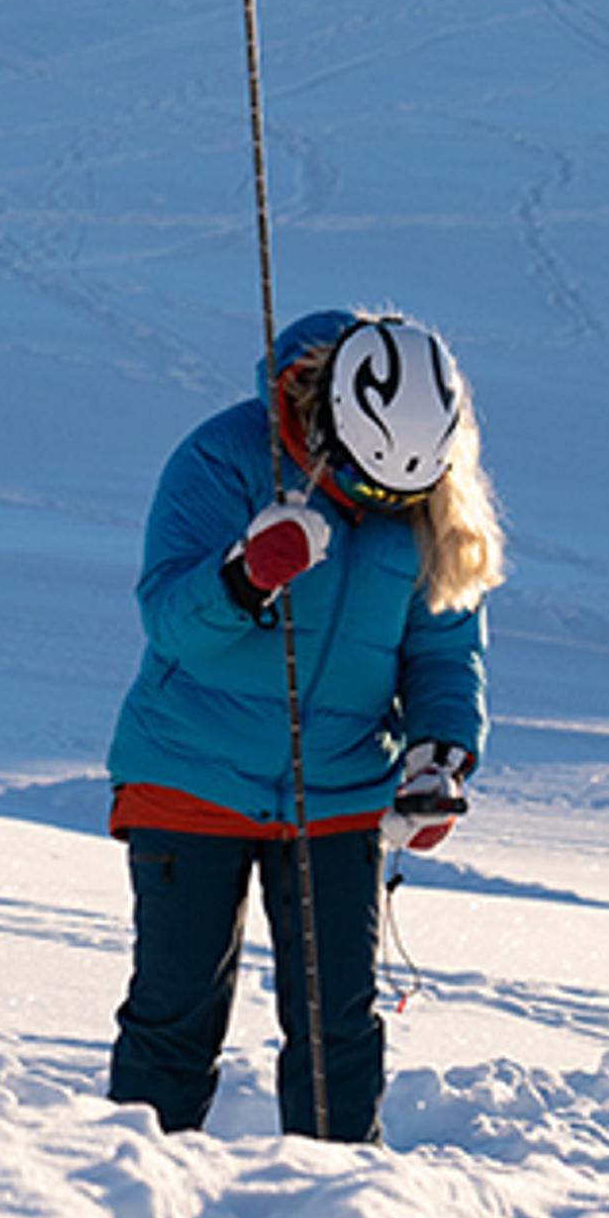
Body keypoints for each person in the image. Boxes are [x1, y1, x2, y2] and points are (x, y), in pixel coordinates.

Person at [105, 307, 505, 1141]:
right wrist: (244, 575)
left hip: (341, 789)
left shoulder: (430, 496)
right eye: (364, 482)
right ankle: (133, 1184)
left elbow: (444, 647)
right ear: (334, 424)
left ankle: (341, 1198)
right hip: (191, 773)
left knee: (337, 1034)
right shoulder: (223, 457)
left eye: (402, 495)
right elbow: (169, 620)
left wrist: (437, 759)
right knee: (175, 1018)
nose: (381, 504)